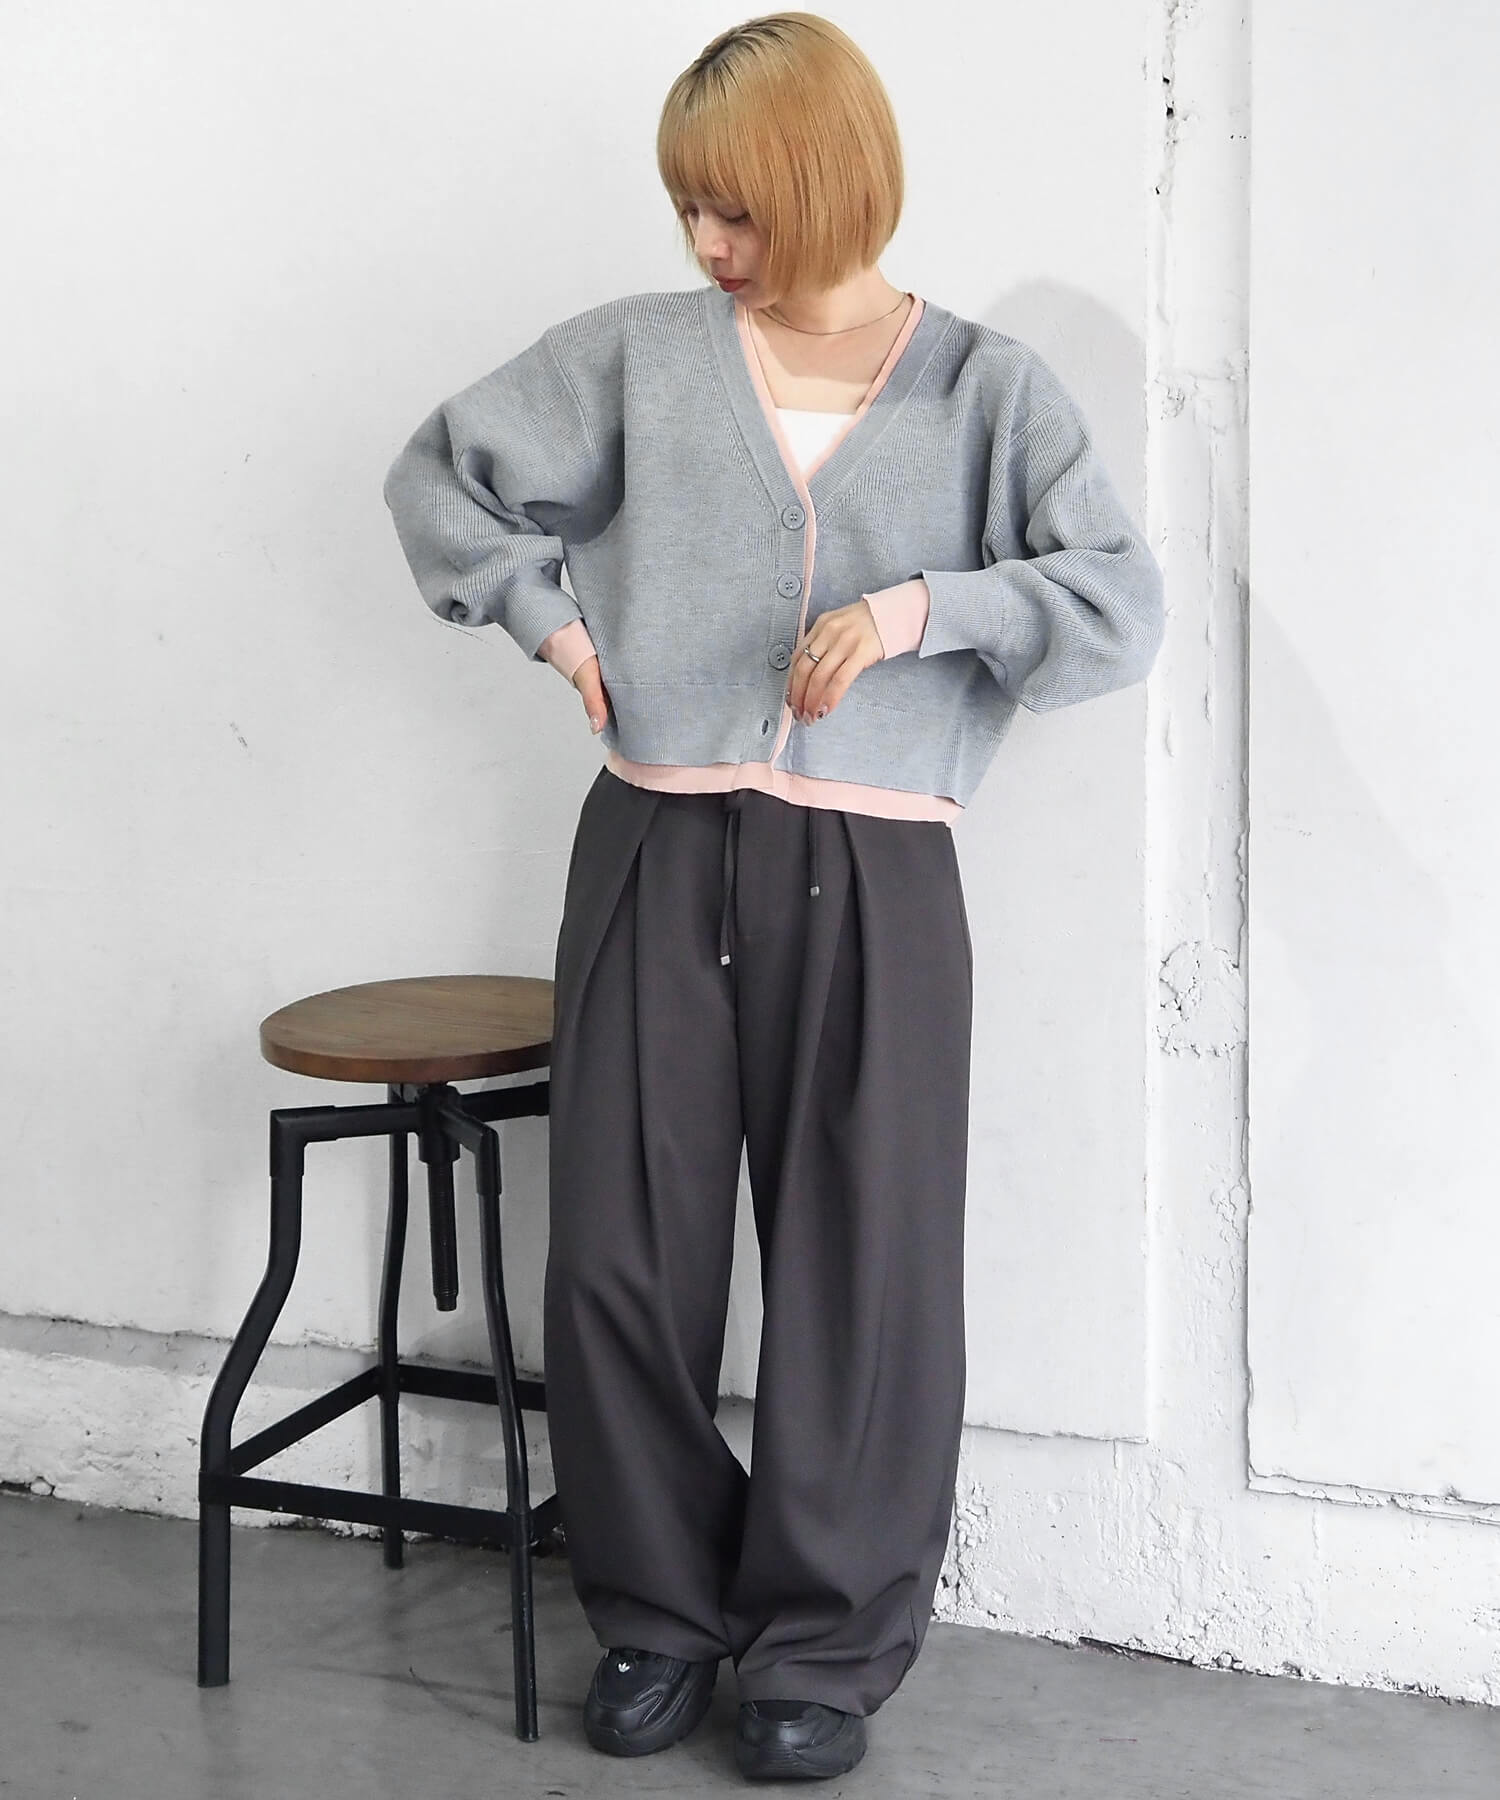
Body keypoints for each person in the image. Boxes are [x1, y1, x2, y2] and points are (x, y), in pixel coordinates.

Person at [382, 11, 1165, 1781]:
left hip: (878, 867)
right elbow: (442, 475)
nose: (706, 244)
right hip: (657, 842)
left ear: (826, 183)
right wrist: (550, 621)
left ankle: (822, 1642)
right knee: (622, 1248)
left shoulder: (987, 391)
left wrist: (919, 612)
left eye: (734, 210)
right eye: (689, 209)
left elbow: (1119, 604)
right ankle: (658, 1612)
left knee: (865, 1262)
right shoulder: (642, 356)